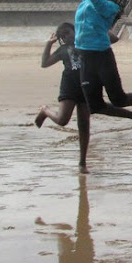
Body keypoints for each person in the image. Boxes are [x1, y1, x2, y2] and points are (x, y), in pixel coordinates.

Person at [34, 23, 92, 173]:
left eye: (68, 32)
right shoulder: (62, 50)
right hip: (69, 86)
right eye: (63, 36)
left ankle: (82, 162)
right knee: (62, 120)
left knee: (84, 125)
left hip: (85, 86)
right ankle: (45, 110)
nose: (67, 37)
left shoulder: (86, 44)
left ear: (74, 30)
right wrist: (48, 44)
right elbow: (45, 63)